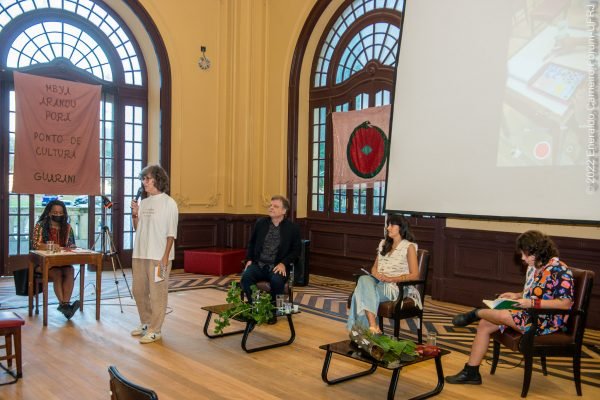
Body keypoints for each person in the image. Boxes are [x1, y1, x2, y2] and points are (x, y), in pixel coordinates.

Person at [446, 230, 574, 385]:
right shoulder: (535, 268)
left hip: (546, 321)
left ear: (539, 251)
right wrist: (517, 295)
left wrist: (533, 303)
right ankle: (471, 372)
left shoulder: (560, 269)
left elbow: (565, 303)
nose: (523, 258)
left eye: (526, 254)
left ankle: (477, 312)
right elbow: (535, 293)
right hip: (530, 313)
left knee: (505, 316)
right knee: (485, 324)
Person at [347, 214, 420, 334]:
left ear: (401, 228)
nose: (388, 228)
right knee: (364, 279)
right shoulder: (383, 244)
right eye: (388, 225)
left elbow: (415, 275)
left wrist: (391, 278)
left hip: (396, 288)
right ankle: (373, 327)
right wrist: (377, 274)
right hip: (379, 282)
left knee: (359, 293)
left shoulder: (409, 247)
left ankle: (364, 331)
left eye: (392, 225)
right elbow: (374, 268)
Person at [130, 165, 179, 344]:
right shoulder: (145, 202)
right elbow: (138, 228)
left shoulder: (169, 203)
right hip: (140, 254)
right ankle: (146, 322)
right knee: (138, 290)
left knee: (157, 292)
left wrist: (165, 257)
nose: (144, 182)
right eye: (143, 179)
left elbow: (171, 233)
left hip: (159, 257)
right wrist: (134, 214)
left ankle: (155, 329)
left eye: (147, 179)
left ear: (158, 179)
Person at [240, 195, 301, 320]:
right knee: (246, 277)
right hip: (259, 264)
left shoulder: (292, 228)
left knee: (276, 281)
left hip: (277, 266)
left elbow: (296, 251)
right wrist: (249, 259)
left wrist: (284, 263)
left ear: (284, 211)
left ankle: (273, 311)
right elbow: (252, 243)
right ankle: (255, 306)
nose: (271, 208)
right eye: (271, 205)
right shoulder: (261, 223)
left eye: (275, 206)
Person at [31, 199, 79, 319]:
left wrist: (71, 246)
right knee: (57, 273)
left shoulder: (67, 227)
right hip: (43, 264)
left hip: (62, 262)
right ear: (49, 212)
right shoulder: (40, 225)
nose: (58, 215)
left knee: (70, 270)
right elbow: (35, 245)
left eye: (60, 213)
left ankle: (65, 305)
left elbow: (71, 243)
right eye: (55, 212)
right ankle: (64, 306)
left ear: (64, 214)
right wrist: (51, 246)